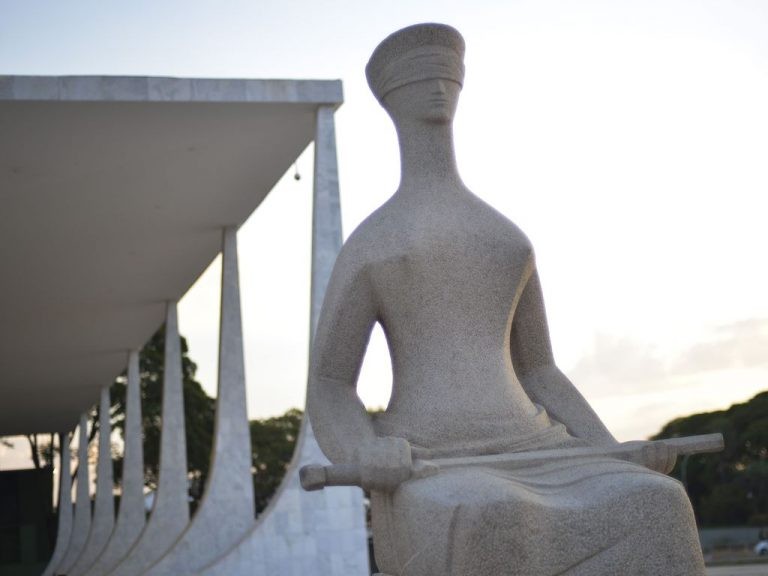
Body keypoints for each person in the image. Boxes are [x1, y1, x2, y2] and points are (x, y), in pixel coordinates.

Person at [308, 23, 706, 576]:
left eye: (446, 77)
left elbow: (540, 370)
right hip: (435, 456)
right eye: (421, 78)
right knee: (491, 513)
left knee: (656, 501)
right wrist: (365, 449)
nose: (438, 89)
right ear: (390, 99)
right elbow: (329, 384)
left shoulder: (506, 239)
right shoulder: (375, 243)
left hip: (539, 444)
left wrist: (614, 450)